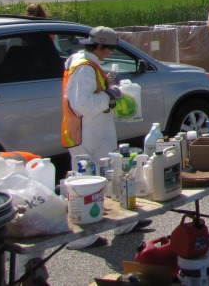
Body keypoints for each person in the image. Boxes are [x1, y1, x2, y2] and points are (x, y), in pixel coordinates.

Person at [62, 27, 150, 248]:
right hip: (88, 134)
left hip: (93, 132)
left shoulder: (85, 63)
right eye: (109, 49)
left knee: (108, 179)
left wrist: (106, 85)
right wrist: (108, 96)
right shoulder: (84, 69)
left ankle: (124, 224)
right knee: (87, 186)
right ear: (99, 46)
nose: (110, 53)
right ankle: (83, 238)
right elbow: (81, 104)